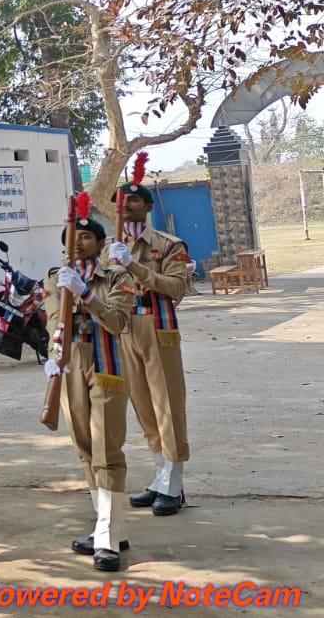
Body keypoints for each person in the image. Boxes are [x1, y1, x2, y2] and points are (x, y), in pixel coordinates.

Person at [44, 215, 137, 571]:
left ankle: (108, 540)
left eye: (85, 236)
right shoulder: (54, 277)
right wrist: (54, 355)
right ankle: (109, 525)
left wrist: (84, 293)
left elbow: (117, 322)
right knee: (85, 447)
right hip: (71, 364)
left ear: (99, 244)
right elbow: (55, 319)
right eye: (71, 236)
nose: (77, 242)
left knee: (107, 449)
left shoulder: (117, 277)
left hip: (106, 364)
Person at [110, 181, 193, 517]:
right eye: (121, 200)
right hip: (125, 329)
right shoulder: (110, 247)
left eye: (133, 200)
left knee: (167, 406)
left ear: (147, 207)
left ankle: (174, 485)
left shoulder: (169, 245)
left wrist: (134, 266)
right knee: (143, 406)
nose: (125, 205)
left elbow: (175, 287)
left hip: (157, 328)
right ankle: (161, 476)